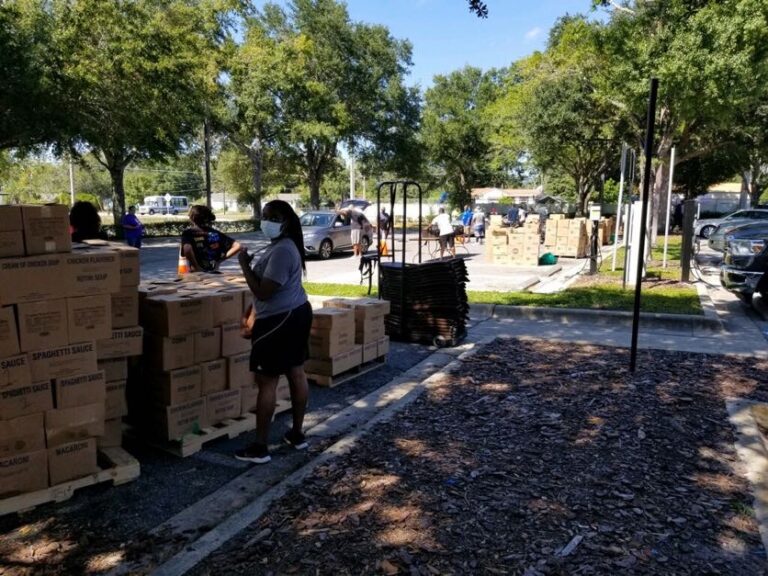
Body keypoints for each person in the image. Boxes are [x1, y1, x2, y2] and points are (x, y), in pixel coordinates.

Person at [235, 199, 313, 464]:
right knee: (295, 370)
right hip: (294, 313)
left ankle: (260, 447)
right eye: (264, 215)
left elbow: (264, 291)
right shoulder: (282, 246)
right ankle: (296, 435)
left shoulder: (282, 251)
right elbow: (266, 291)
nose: (266, 221)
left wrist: (243, 264)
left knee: (267, 381)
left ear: (286, 221)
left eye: (273, 217)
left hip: (281, 320)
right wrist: (252, 311)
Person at [180, 205, 241, 273]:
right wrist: (219, 260)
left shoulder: (189, 233)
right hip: (214, 272)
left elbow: (187, 249)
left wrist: (196, 267)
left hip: (196, 274)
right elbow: (237, 246)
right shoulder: (215, 233)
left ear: (192, 218)